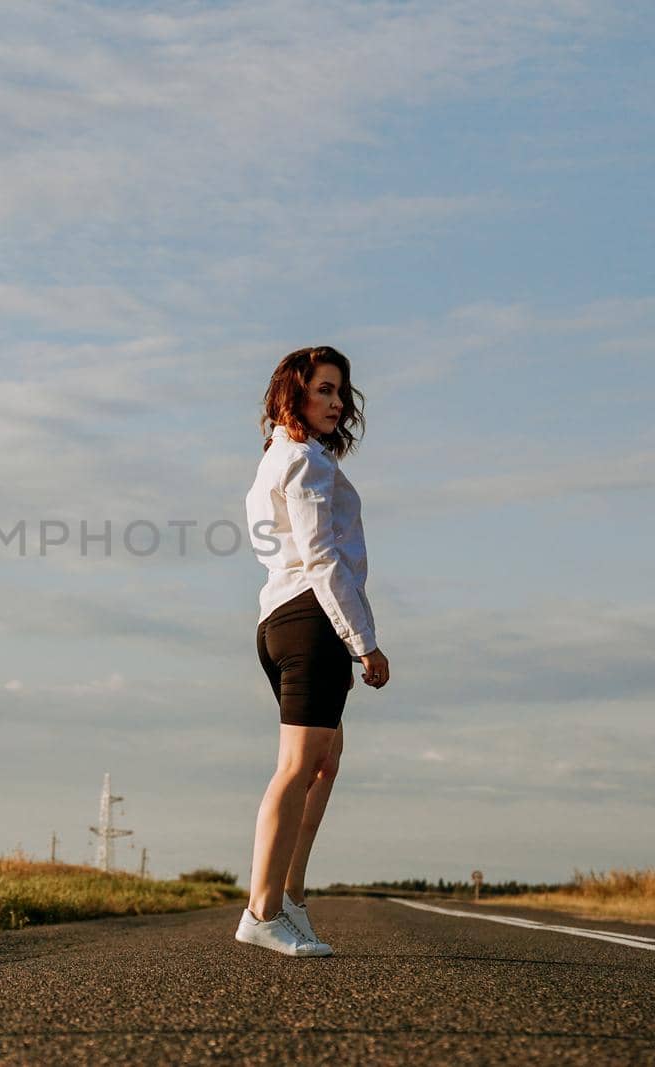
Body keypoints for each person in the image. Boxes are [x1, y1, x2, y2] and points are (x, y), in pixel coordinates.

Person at [235, 346, 391, 957]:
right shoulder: (303, 462)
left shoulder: (279, 458)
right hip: (311, 618)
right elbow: (323, 557)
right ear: (294, 394)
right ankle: (263, 910)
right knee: (297, 767)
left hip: (282, 616)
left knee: (325, 759)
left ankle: (291, 894)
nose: (334, 402)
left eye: (338, 392)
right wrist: (365, 643)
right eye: (323, 389)